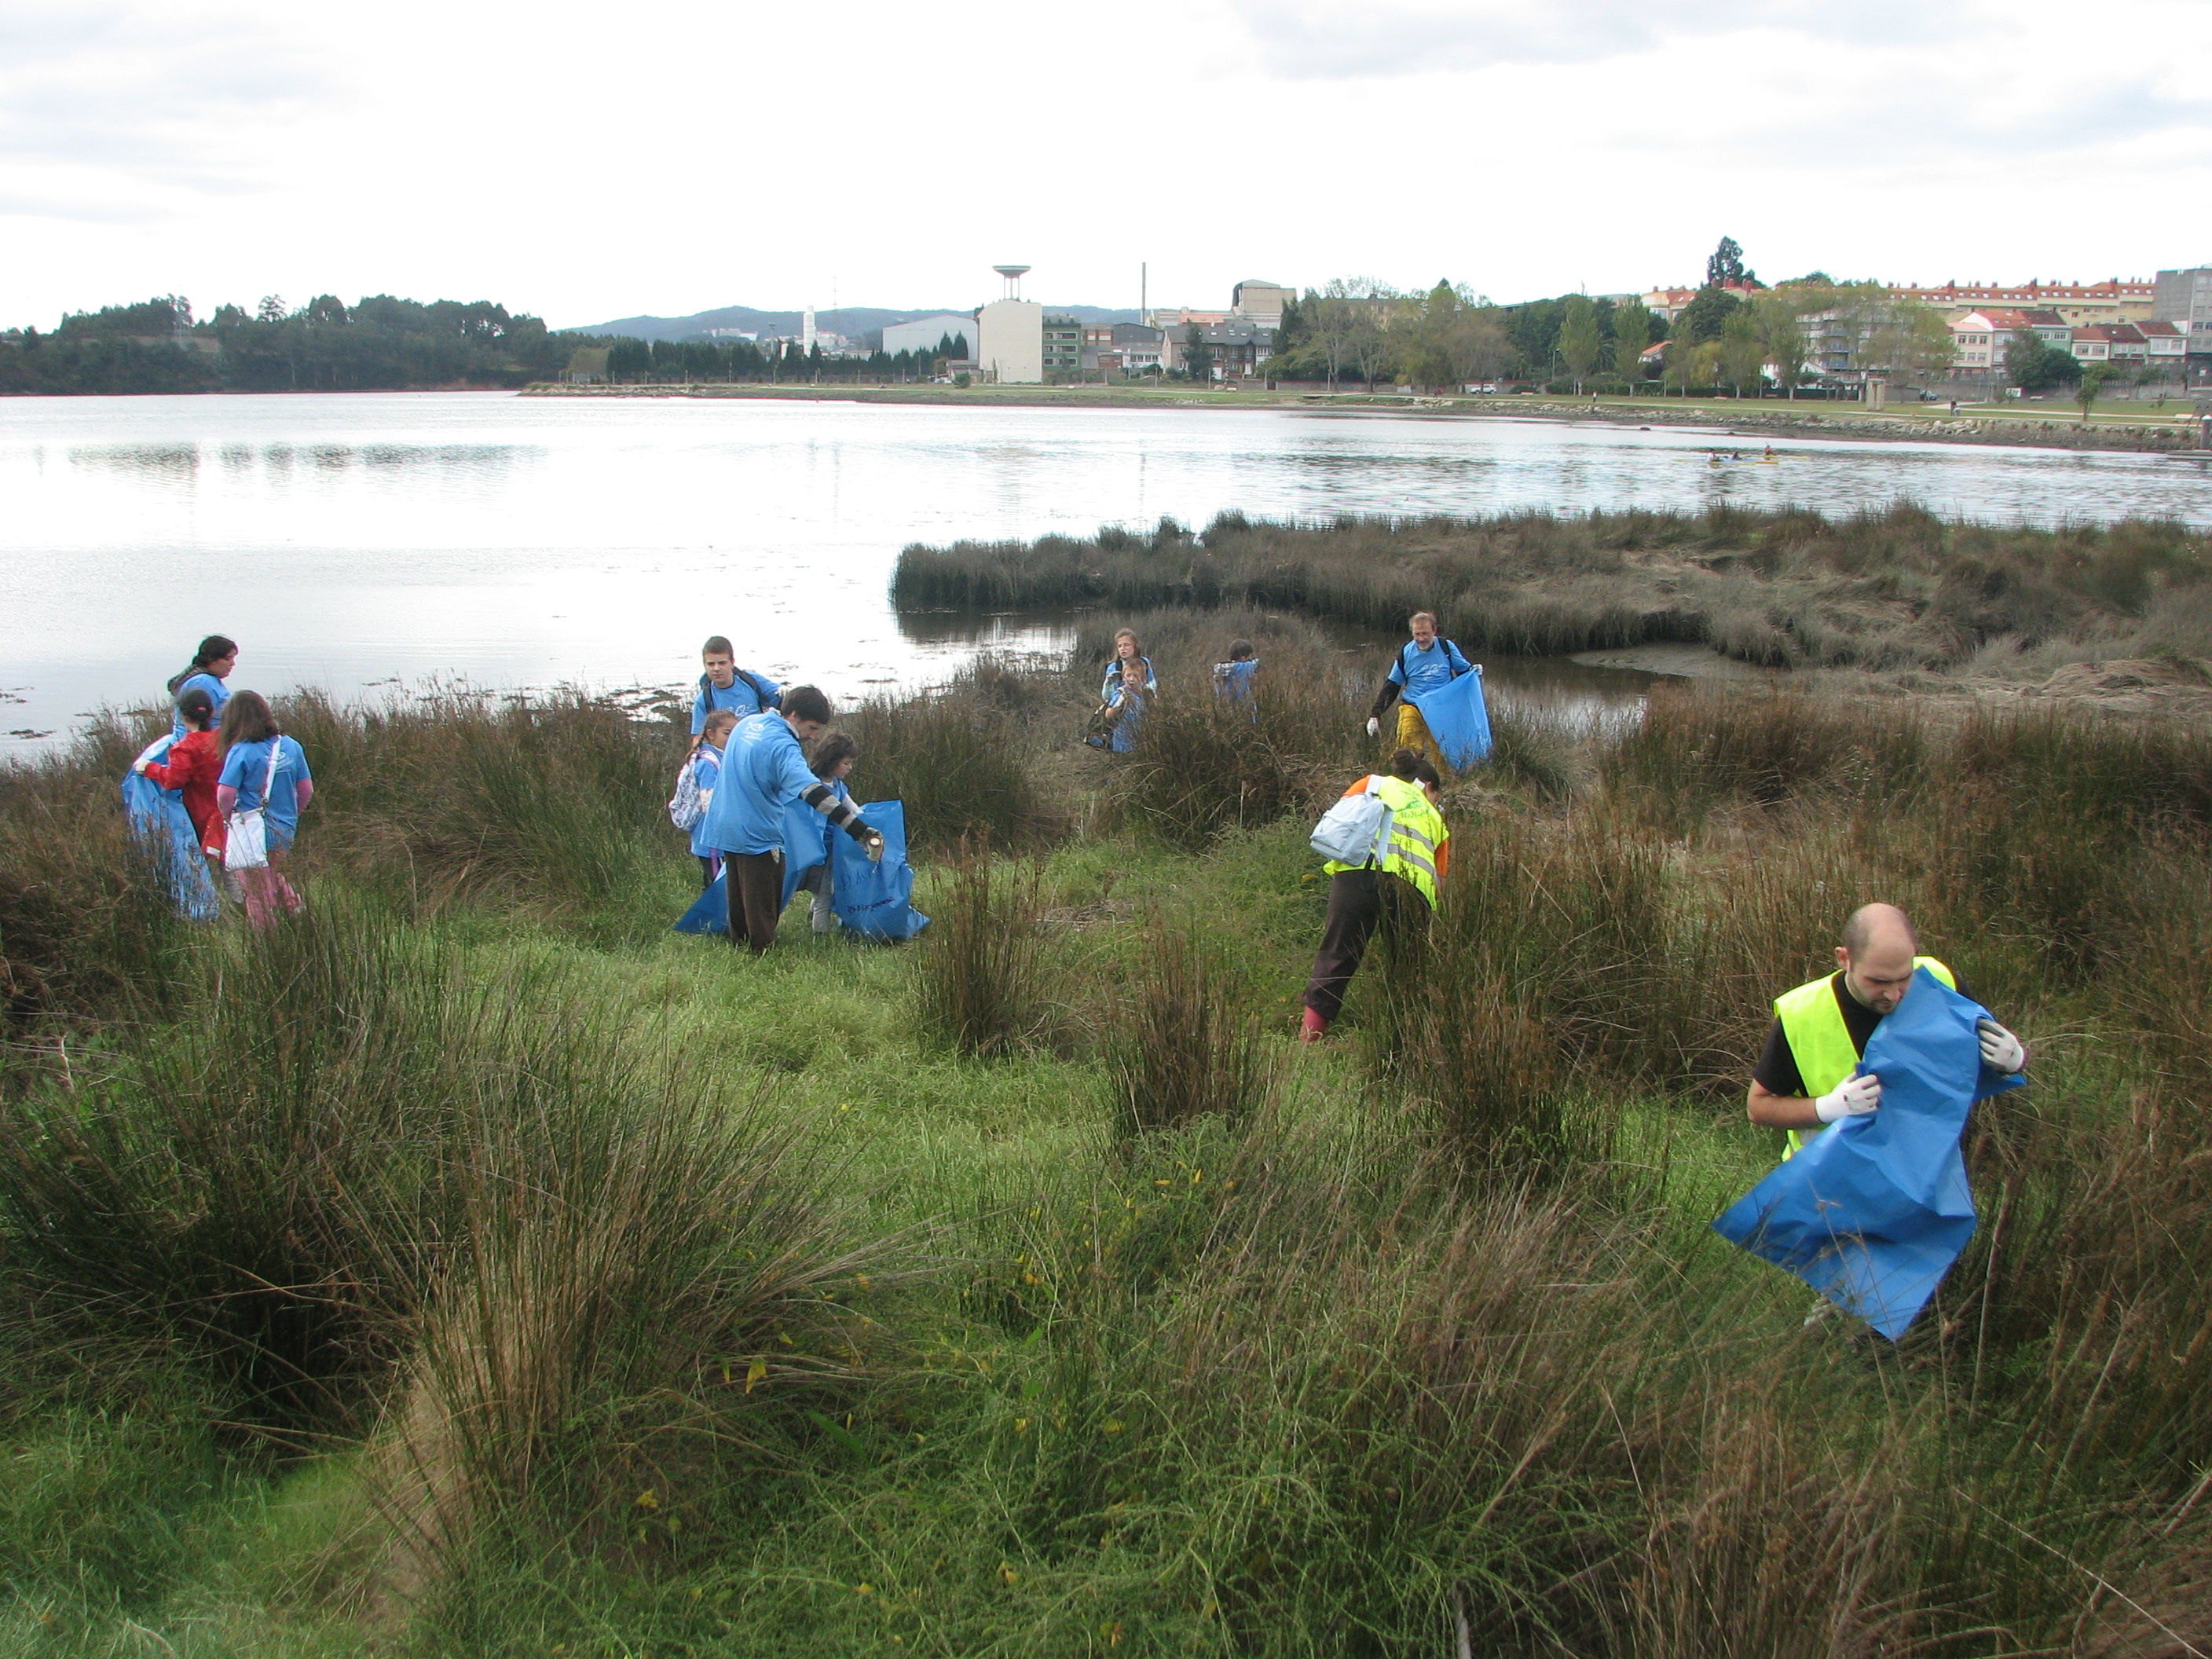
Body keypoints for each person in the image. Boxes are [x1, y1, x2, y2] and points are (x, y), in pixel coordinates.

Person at [1747, 903, 2027, 1159]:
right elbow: (1758, 1107)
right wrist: (1828, 1108)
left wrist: (2011, 1062)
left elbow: (1964, 1071)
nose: (1893, 995)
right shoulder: (1802, 1015)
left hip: (1928, 1180)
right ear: (1844, 959)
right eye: (1878, 981)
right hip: (1830, 1186)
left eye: (1904, 977)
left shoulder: (1942, 981)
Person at [698, 686, 883, 954]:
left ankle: (739, 944)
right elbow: (815, 793)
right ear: (793, 715)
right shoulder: (783, 745)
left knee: (737, 890)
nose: (812, 736)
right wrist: (859, 830)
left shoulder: (749, 723)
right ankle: (761, 952)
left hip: (723, 822)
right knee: (763, 894)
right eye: (812, 728)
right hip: (755, 831)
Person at [1299, 749, 1449, 1042]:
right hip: (1411, 891)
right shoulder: (1437, 821)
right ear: (1428, 786)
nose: (1436, 803)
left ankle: (1309, 1040)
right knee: (1408, 967)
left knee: (1336, 956)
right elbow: (1440, 881)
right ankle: (1403, 1042)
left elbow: (1339, 825)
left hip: (1357, 878)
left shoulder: (1371, 783)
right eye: (1437, 797)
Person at [214, 690, 313, 928]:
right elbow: (306, 789)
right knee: (269, 871)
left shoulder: (242, 751)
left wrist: (229, 817)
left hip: (253, 829)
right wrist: (293, 814)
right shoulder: (291, 746)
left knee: (255, 892)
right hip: (285, 828)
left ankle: (267, 939)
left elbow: (225, 794)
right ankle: (296, 910)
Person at [1364, 611, 1475, 776]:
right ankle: (1406, 781)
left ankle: (1441, 786)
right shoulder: (1406, 653)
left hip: (1440, 709)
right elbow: (1393, 684)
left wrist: (1474, 674)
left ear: (1434, 631)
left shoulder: (1446, 648)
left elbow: (1464, 673)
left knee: (1441, 752)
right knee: (1407, 748)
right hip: (1412, 705)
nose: (1421, 639)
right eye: (1417, 634)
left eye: (1425, 634)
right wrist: (1376, 714)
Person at [136, 685, 227, 874]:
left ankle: (219, 898)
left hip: (201, 812)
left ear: (183, 716)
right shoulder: (222, 739)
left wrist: (149, 768)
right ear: (211, 714)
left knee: (206, 861)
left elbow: (174, 780)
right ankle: (245, 898)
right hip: (228, 807)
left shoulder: (185, 747)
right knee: (230, 858)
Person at [797, 731, 859, 935]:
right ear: (832, 762)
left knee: (822, 888)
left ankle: (811, 914)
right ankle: (820, 935)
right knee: (825, 894)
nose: (850, 768)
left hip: (833, 847)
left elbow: (852, 808)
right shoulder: (812, 784)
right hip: (818, 849)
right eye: (846, 763)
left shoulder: (838, 786)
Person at [680, 709, 738, 889]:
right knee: (719, 887)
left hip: (718, 837)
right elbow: (709, 802)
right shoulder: (708, 762)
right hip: (711, 839)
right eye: (727, 733)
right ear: (711, 734)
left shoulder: (722, 756)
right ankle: (717, 917)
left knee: (721, 884)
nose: (731, 738)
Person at [691, 635, 781, 736]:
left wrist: (785, 692)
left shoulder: (751, 680)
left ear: (732, 662)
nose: (716, 668)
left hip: (758, 743)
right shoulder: (703, 699)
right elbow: (698, 736)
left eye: (722, 663)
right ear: (704, 665)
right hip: (726, 750)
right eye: (711, 664)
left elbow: (783, 699)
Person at [167, 635, 237, 739]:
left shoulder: (210, 679)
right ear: (212, 659)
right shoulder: (203, 682)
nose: (233, 664)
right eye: (228, 659)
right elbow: (199, 722)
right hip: (199, 747)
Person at [1104, 657, 1150, 753]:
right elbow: (1108, 715)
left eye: (1135, 676)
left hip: (1139, 740)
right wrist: (1120, 702)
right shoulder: (1121, 693)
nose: (1131, 679)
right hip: (1122, 742)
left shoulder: (1145, 695)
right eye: (1128, 675)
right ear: (1123, 677)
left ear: (1143, 678)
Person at [1099, 628, 1155, 705]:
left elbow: (1152, 683)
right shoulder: (1114, 667)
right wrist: (1109, 685)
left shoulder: (1144, 662)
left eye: (1126, 645)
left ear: (1135, 646)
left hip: (1143, 704)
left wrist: (1147, 690)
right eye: (1120, 646)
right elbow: (1107, 697)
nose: (1123, 649)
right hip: (1123, 707)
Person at [1213, 639, 1259, 712]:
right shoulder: (1247, 666)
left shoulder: (1225, 667)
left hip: (1228, 702)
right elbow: (1256, 662)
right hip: (1245, 701)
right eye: (1249, 657)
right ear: (1243, 657)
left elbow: (1218, 674)